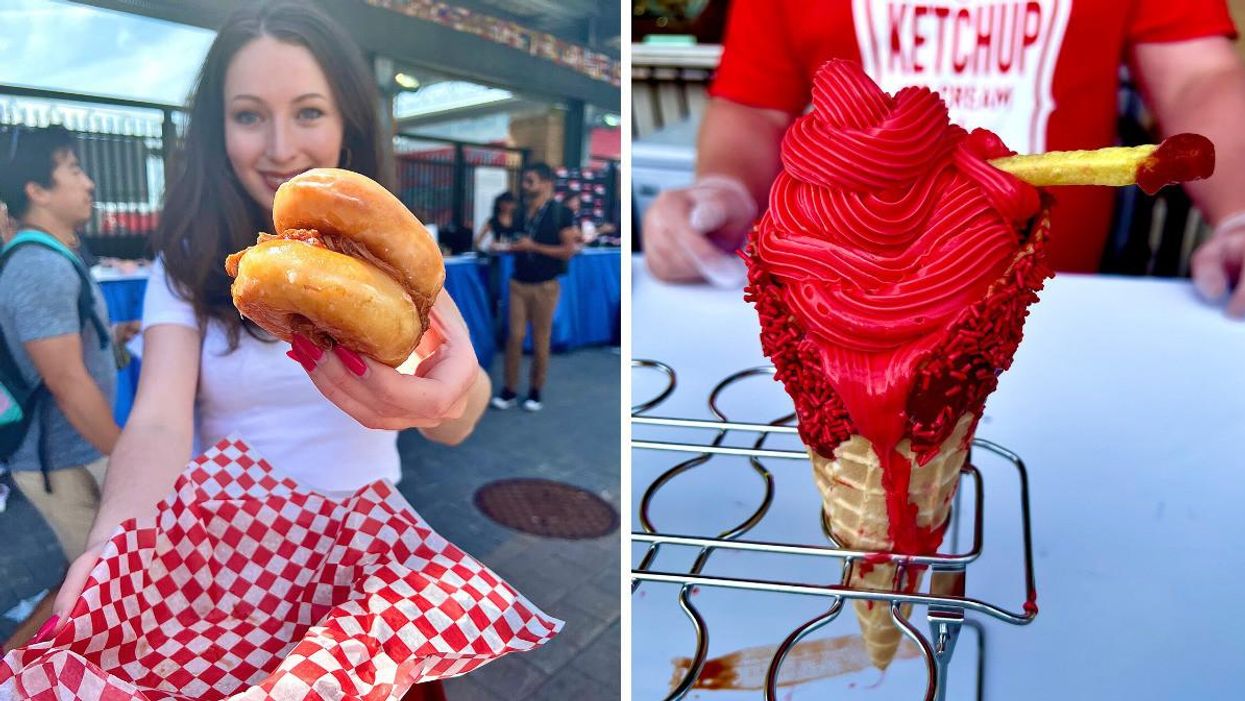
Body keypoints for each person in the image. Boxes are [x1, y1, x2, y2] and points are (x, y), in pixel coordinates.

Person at [45, 6, 486, 698]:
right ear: (217, 130)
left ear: (347, 121)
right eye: (249, 115)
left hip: (372, 565)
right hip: (231, 568)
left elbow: (453, 420)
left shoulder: (398, 255)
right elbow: (159, 418)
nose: (281, 147)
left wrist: (447, 390)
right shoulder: (184, 260)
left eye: (308, 111)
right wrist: (115, 544)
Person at [642, 0, 1245, 315]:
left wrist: (1238, 212)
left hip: (1049, 307)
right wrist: (726, 187)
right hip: (833, 303)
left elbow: (1198, 78)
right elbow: (754, 104)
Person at [0, 125, 119, 564]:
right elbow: (66, 381)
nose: (88, 183)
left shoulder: (52, 254)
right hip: (67, 460)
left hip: (74, 452)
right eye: (73, 170)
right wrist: (125, 456)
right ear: (37, 191)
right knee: (105, 576)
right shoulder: (39, 266)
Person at [490, 163, 577, 412]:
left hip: (545, 286)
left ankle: (535, 390)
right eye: (524, 181)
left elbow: (568, 251)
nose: (525, 186)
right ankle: (509, 389)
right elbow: (515, 240)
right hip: (518, 283)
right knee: (514, 337)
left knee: (541, 340)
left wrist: (533, 247)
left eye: (530, 181)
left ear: (546, 183)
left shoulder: (561, 213)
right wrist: (506, 246)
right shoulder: (520, 212)